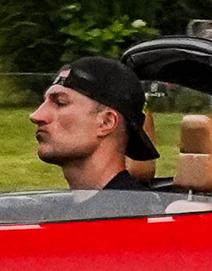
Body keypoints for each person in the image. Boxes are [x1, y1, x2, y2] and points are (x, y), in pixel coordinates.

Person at [29, 55, 159, 191]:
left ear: (106, 123)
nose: (36, 116)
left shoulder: (134, 211)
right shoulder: (67, 209)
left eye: (60, 103)